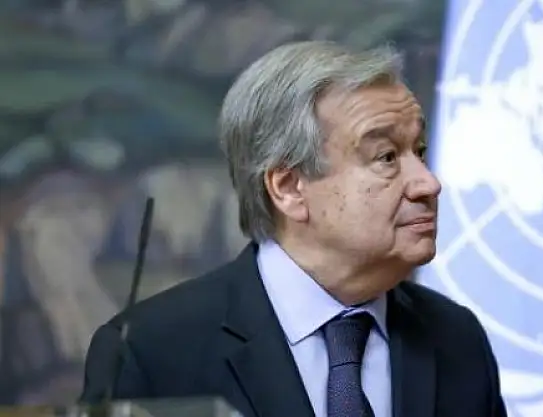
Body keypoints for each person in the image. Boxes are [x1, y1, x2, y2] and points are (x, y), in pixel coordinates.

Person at [80, 41, 508, 417]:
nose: (428, 183)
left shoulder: (455, 338)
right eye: (386, 157)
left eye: (420, 151)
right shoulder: (149, 351)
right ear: (288, 188)